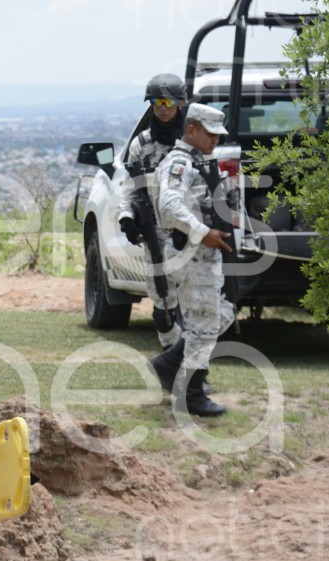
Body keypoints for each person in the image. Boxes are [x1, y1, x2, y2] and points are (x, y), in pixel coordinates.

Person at [147, 103, 235, 417]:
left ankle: (169, 365)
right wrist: (202, 232)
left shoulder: (201, 161)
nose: (215, 141)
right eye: (210, 134)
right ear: (191, 129)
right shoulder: (180, 162)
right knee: (203, 325)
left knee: (216, 317)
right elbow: (169, 206)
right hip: (192, 255)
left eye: (219, 136)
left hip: (206, 256)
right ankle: (192, 394)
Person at [118, 73, 187, 349]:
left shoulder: (191, 141)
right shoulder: (141, 144)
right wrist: (128, 221)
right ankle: (170, 353)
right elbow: (130, 190)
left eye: (168, 101)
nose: (162, 107)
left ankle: (192, 364)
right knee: (161, 296)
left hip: (189, 228)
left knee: (194, 296)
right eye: (156, 101)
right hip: (155, 231)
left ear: (179, 104)